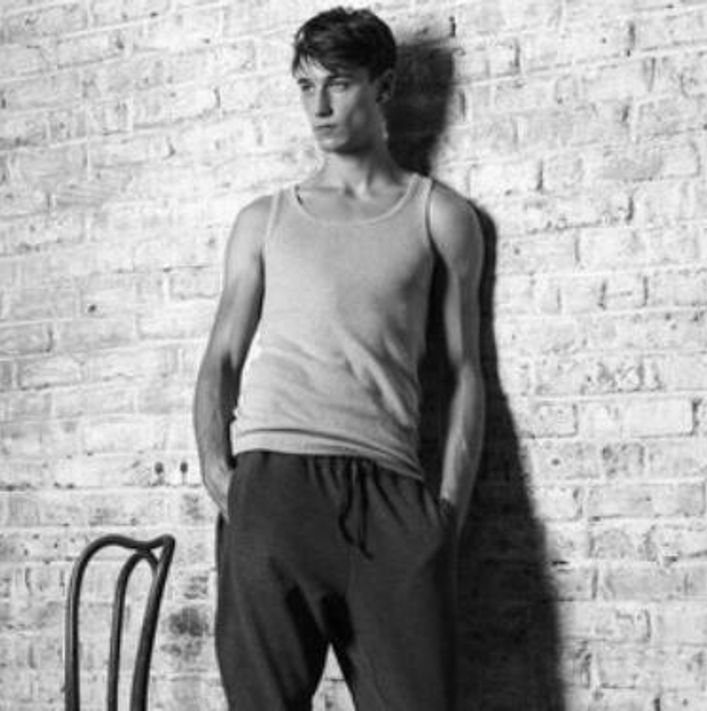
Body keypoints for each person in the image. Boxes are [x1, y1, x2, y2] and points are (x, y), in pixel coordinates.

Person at [192, 6, 485, 710]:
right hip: (275, 487)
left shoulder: (440, 216)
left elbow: (465, 371)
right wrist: (222, 477)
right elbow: (222, 357)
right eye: (306, 85)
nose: (318, 106)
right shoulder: (265, 220)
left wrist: (446, 512)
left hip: (390, 497)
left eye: (339, 83)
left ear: (383, 88)